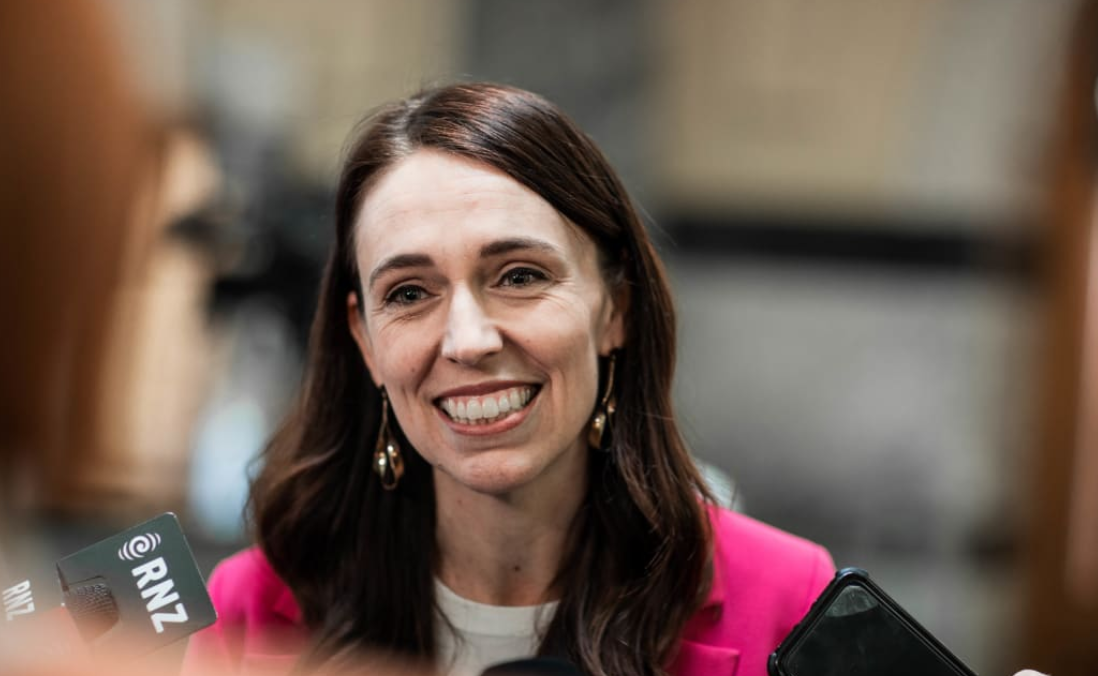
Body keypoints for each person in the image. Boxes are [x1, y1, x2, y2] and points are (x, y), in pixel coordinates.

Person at [179, 81, 826, 676]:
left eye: (520, 276)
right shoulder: (250, 610)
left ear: (615, 309)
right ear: (364, 341)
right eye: (409, 292)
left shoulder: (789, 599)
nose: (468, 340)